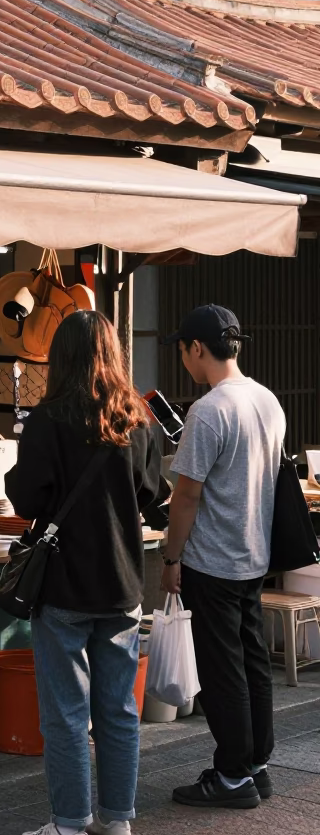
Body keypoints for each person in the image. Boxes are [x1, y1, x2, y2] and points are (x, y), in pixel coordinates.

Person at [6, 309, 162, 835]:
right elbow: (152, 494)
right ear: (114, 354)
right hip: (122, 583)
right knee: (119, 709)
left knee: (67, 712)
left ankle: (69, 827)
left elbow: (26, 498)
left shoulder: (48, 419)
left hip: (65, 585)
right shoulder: (137, 418)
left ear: (61, 357)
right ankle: (116, 820)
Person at [160, 304, 285, 808]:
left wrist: (171, 559)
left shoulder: (208, 410)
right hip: (255, 551)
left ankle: (232, 775)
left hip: (212, 559)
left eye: (183, 351)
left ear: (197, 348)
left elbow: (186, 496)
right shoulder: (267, 399)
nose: (184, 361)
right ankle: (256, 765)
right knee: (253, 661)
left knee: (222, 670)